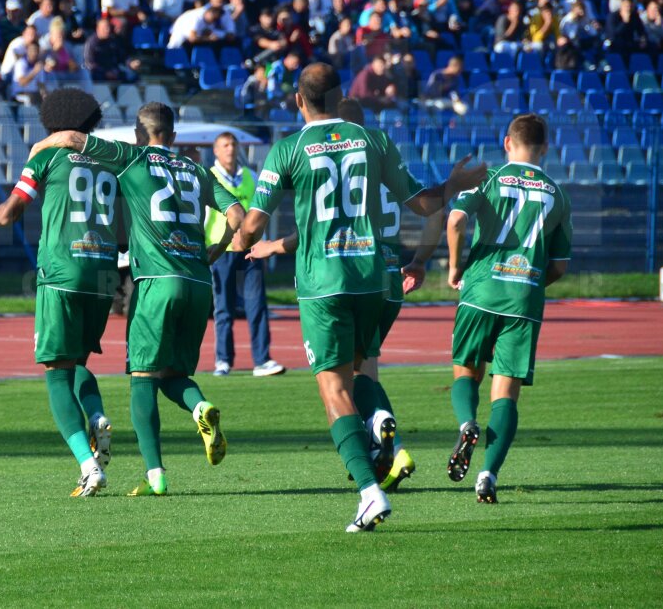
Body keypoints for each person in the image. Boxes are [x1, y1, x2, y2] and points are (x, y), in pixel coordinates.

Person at [233, 63, 486, 531]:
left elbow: (252, 223)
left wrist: (238, 242)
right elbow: (425, 204)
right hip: (373, 278)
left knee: (333, 390)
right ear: (339, 95)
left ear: (298, 101)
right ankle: (380, 417)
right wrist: (454, 185)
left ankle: (370, 493)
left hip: (323, 283)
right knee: (358, 366)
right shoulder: (374, 141)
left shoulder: (288, 149)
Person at [28, 102, 245, 498]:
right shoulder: (198, 171)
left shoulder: (132, 157)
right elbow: (237, 213)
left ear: (138, 135)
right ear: (174, 136)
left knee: (142, 380)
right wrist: (221, 246)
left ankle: (155, 476)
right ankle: (199, 408)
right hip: (198, 283)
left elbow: (76, 139)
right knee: (173, 376)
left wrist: (43, 143)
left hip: (156, 282)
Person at [248, 99, 445, 492]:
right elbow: (434, 209)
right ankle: (382, 444)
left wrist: (269, 246)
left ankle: (385, 446)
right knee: (363, 367)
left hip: (341, 272)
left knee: (348, 376)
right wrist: (421, 259)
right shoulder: (379, 152)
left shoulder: (315, 151)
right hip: (384, 274)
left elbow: (314, 227)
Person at [0, 89, 118, 496]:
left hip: (62, 272)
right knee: (78, 362)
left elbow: (8, 214)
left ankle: (89, 466)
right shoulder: (110, 161)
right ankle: (97, 414)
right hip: (104, 270)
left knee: (57, 372)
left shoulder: (46, 156)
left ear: (50, 119)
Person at [445, 113, 572, 504]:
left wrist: (455, 269)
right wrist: (532, 282)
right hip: (524, 299)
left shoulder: (488, 178)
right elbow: (560, 266)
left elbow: (454, 221)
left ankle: (467, 422)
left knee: (467, 370)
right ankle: (487, 475)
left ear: (507, 143)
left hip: (481, 291)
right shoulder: (557, 193)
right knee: (507, 392)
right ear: (545, 148)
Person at [203, 132, 284, 378]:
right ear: (216, 151)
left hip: (249, 250)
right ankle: (223, 361)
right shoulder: (209, 177)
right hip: (221, 250)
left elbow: (261, 212)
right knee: (224, 307)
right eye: (225, 145)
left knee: (256, 304)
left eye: (233, 145)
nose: (230, 149)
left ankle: (262, 360)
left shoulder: (250, 176)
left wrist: (263, 241)